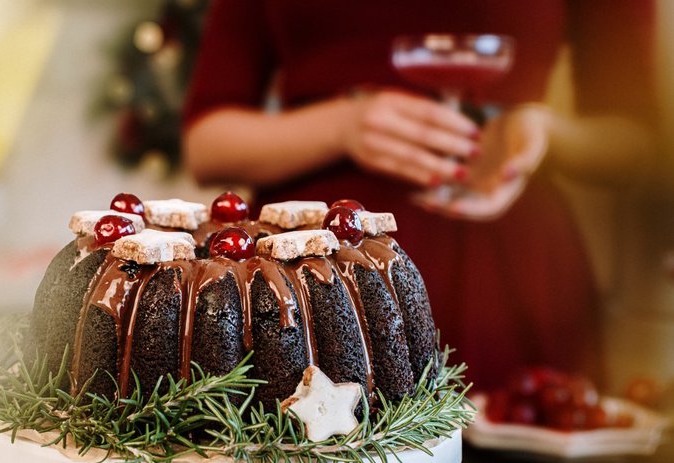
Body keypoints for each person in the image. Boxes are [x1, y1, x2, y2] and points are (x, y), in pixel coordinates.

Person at [181, 1, 658, 391]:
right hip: (305, 284)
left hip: (507, 277)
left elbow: (639, 141)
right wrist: (343, 126)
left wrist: (545, 131)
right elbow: (206, 144)